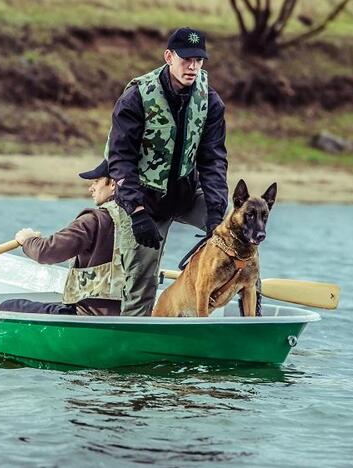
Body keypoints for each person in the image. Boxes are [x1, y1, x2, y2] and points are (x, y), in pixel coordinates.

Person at [105, 27, 230, 316]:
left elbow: (213, 160)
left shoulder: (210, 100)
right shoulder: (136, 97)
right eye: (186, 59)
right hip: (144, 202)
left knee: (235, 232)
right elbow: (121, 160)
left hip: (187, 194)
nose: (193, 66)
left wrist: (215, 212)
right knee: (140, 283)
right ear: (169, 56)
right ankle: (135, 338)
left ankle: (240, 300)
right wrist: (136, 212)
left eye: (199, 60)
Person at [0, 160, 135, 316]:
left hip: (89, 315)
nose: (91, 188)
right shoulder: (143, 222)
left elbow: (46, 252)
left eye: (96, 181)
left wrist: (27, 240)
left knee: (9, 306)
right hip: (131, 313)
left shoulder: (95, 220)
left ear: (113, 184)